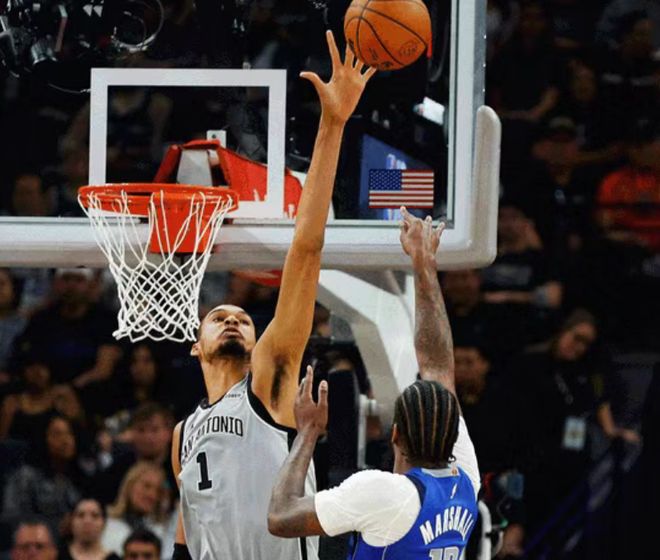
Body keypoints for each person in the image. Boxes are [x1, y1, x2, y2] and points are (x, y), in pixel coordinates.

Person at [169, 30, 376, 560]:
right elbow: (188, 535)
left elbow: (306, 249)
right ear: (195, 345)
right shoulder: (182, 433)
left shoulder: (268, 379)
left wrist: (332, 124)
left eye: (243, 318)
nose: (233, 319)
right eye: (220, 316)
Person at [268, 208, 480, 559]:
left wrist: (307, 432)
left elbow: (281, 516)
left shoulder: (387, 495)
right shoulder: (466, 482)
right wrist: (424, 265)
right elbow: (438, 367)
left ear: (395, 435)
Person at [101, 462, 175, 560]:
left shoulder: (164, 531)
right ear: (130, 486)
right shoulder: (104, 524)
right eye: (146, 486)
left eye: (158, 491)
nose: (152, 495)